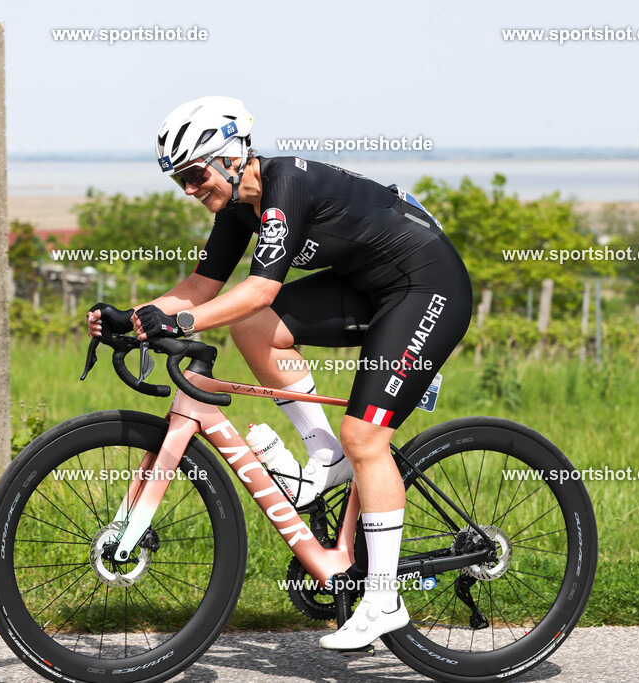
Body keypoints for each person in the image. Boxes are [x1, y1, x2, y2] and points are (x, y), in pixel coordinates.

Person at [87, 96, 472, 650]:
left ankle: (384, 598)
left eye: (194, 175)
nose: (191, 190)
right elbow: (200, 288)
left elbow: (259, 288)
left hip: (427, 287)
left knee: (366, 436)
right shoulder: (236, 211)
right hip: (370, 288)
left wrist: (186, 319)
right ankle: (326, 455)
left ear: (229, 157)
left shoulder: (286, 182)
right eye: (180, 182)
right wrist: (134, 315)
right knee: (253, 327)